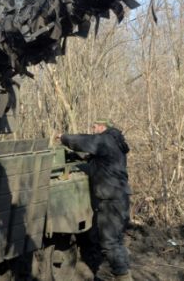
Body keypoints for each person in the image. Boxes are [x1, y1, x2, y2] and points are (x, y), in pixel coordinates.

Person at [54, 120, 132, 281]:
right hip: (120, 197)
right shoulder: (115, 143)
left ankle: (124, 277)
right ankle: (123, 273)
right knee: (116, 240)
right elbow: (100, 162)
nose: (94, 129)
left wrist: (63, 137)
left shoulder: (105, 140)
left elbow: (84, 141)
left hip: (111, 200)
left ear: (103, 126)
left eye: (95, 126)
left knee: (110, 243)